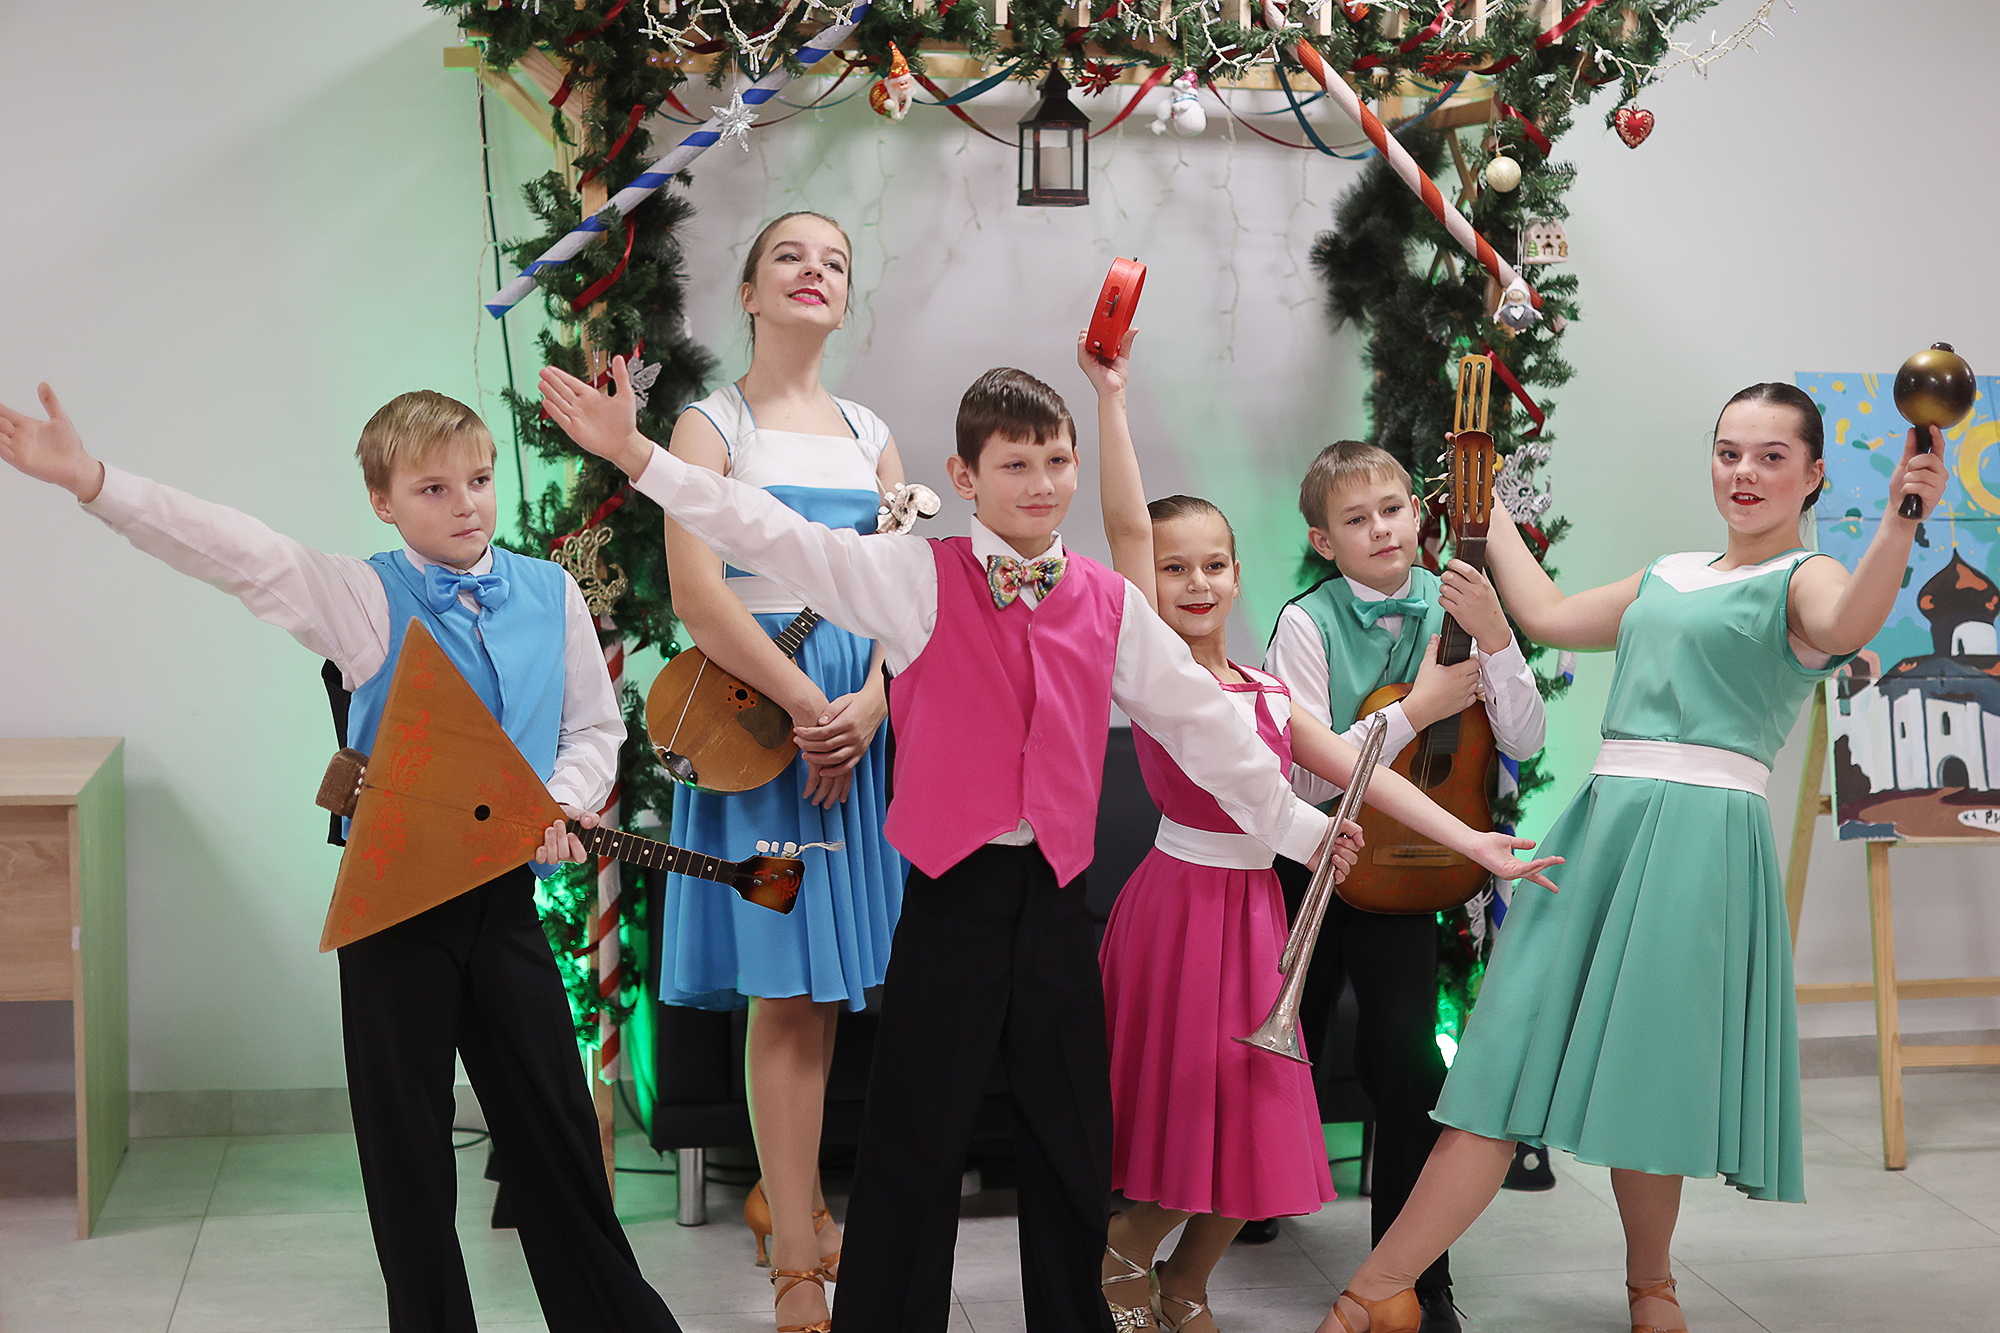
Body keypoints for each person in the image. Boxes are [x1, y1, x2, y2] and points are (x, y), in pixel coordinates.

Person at [541, 354, 1441, 1333]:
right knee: (913, 1139)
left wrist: (1303, 830)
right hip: (948, 900)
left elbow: (1206, 727)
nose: (1041, 482)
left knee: (1070, 1142)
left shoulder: (1106, 600)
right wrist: (635, 452)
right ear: (964, 476)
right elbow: (764, 529)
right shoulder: (910, 578)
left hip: (1054, 901)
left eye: (1056, 461)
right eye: (1015, 463)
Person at [0, 386, 679, 1333]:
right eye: (434, 488)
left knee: (558, 1135)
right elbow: (236, 549)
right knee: (407, 1159)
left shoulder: (551, 592)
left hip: (503, 903)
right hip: (392, 910)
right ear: (383, 502)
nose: (467, 504)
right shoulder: (364, 597)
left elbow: (594, 729)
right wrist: (93, 480)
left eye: (480, 480)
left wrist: (564, 800)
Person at [1315, 387, 1947, 1333]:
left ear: (1815, 474)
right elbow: (1548, 613)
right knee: (1503, 1058)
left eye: (1772, 456)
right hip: (1600, 828)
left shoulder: (1806, 578)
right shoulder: (1669, 571)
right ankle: (1381, 1288)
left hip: (1701, 846)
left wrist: (1900, 517)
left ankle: (1651, 1286)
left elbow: (1852, 621)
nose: (1744, 472)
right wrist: (1479, 493)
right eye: (1729, 452)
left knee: (1646, 1076)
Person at [1075, 335, 1558, 1333]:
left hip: (1271, 901)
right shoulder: (1160, 668)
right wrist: (1110, 397)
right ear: (1320, 541)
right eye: (1175, 570)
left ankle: (1233, 1276)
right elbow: (1288, 793)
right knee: (1204, 1108)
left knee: (1267, 1113)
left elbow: (1351, 763)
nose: (1197, 583)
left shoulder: (1259, 684)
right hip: (1214, 901)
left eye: (1215, 565)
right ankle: (1129, 1251)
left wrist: (1475, 843)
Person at [655, 212, 906, 1333]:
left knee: (826, 979)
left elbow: (903, 594)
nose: (815, 271)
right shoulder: (709, 426)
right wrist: (808, 707)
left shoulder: (872, 434)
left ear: (845, 300)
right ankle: (799, 1260)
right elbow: (697, 594)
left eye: (835, 261)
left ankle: (785, 1199)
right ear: (751, 291)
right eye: (790, 256)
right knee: (787, 984)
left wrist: (873, 702)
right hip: (758, 723)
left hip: (857, 726)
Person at [1260, 439, 1550, 1333]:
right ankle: (1244, 1202)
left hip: (1402, 876)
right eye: (1356, 519)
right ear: (1323, 540)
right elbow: (1304, 775)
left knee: (1411, 1066)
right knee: (1279, 1054)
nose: (1381, 528)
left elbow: (1527, 738)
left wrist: (1496, 637)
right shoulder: (1305, 622)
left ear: (1418, 513)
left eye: (1392, 509)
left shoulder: (1457, 600)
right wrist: (1417, 709)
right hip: (1311, 864)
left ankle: (1415, 1276)